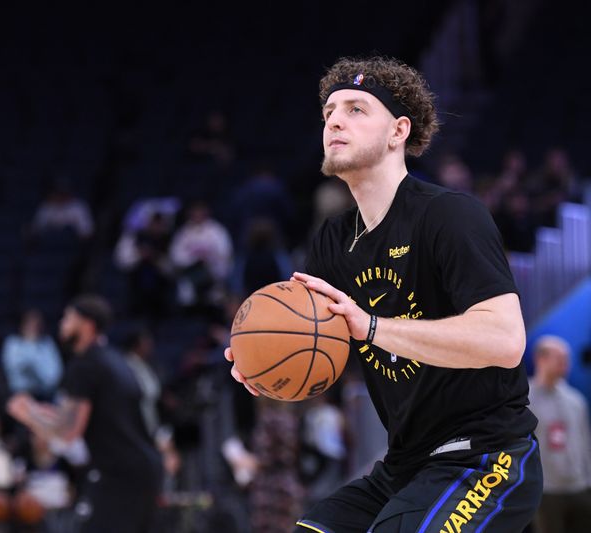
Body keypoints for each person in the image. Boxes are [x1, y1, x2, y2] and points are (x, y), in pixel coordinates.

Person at [225, 56, 542, 532]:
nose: (334, 119)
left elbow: (506, 342)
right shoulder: (331, 241)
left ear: (398, 131)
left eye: (356, 109)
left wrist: (371, 327)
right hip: (403, 466)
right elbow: (322, 352)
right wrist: (268, 368)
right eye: (330, 111)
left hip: (485, 456)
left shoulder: (450, 216)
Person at [7, 295, 163, 533]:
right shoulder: (117, 361)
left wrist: (26, 413)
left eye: (68, 318)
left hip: (118, 475)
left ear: (87, 325)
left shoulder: (85, 365)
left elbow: (67, 432)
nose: (62, 323)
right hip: (145, 469)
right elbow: (84, 419)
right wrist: (43, 413)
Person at [528, 335, 591, 533]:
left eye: (567, 359)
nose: (566, 364)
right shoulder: (524, 399)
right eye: (560, 358)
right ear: (541, 359)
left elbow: (584, 443)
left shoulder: (575, 400)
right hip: (547, 491)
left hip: (579, 488)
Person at [2, 309, 63, 401]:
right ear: (23, 325)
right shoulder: (13, 343)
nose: (33, 327)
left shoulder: (47, 343)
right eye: (30, 324)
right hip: (20, 395)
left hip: (46, 395)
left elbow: (54, 374)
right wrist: (31, 344)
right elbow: (15, 367)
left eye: (37, 325)